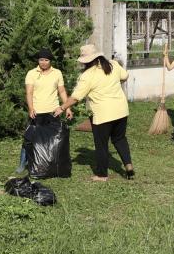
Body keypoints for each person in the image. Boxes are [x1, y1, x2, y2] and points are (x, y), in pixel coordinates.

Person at [57, 44, 133, 181]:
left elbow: (75, 97)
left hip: (103, 114)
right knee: (120, 139)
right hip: (121, 110)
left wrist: (62, 108)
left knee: (102, 145)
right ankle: (128, 165)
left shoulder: (87, 75)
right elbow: (125, 76)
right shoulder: (112, 65)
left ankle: (102, 175)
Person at [25, 49, 70, 129]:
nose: (43, 62)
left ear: (50, 61)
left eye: (46, 60)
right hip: (37, 112)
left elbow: (62, 91)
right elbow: (29, 93)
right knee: (37, 139)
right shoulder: (31, 73)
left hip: (54, 112)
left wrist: (67, 108)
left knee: (54, 139)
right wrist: (31, 108)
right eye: (41, 60)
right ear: (38, 60)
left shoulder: (57, 73)